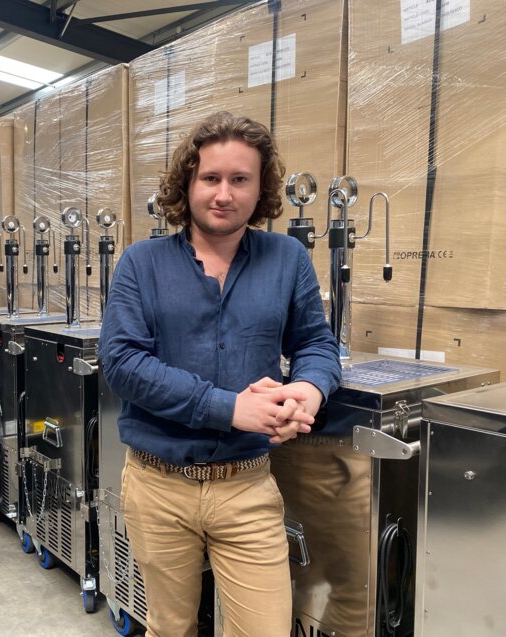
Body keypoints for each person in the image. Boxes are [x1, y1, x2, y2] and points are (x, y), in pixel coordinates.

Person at [99, 111, 341, 637]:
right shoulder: (141, 263)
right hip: (157, 483)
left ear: (261, 190)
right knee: (171, 627)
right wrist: (232, 408)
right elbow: (122, 362)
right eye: (210, 178)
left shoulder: (287, 258)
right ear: (186, 184)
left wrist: (308, 389)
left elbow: (317, 344)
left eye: (240, 180)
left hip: (246, 485)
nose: (223, 194)